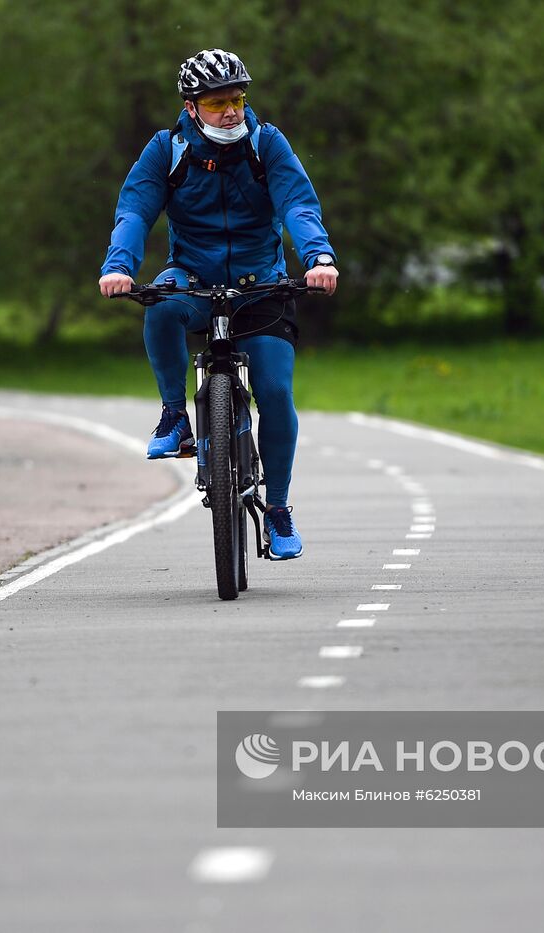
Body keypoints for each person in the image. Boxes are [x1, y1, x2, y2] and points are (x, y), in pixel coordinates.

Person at [98, 48, 338, 561]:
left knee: (274, 391)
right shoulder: (167, 150)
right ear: (191, 107)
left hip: (263, 285)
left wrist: (318, 256)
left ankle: (277, 509)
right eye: (216, 103)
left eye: (236, 98)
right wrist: (118, 266)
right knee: (160, 306)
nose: (230, 110)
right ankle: (173, 416)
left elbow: (297, 202)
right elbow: (135, 210)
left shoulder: (265, 143)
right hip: (194, 279)